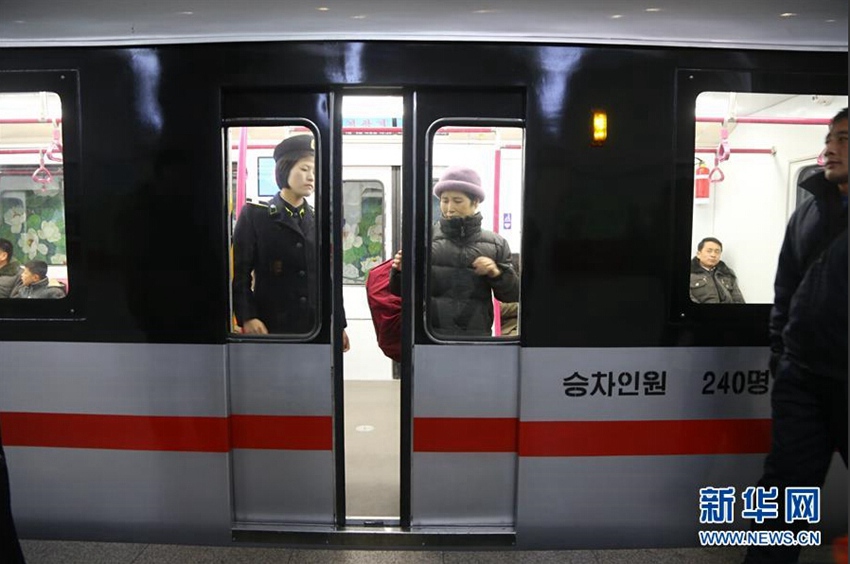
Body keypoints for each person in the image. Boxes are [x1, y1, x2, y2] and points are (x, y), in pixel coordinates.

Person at [743, 107, 848, 564]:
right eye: (829, 138)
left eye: (844, 139)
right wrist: (781, 358)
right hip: (804, 379)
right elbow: (785, 290)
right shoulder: (808, 213)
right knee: (783, 492)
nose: (830, 148)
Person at [232, 134, 349, 349]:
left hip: (316, 328)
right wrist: (248, 317)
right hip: (271, 327)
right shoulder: (255, 216)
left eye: (315, 171)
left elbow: (330, 279)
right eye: (304, 169)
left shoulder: (320, 220)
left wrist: (338, 324)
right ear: (285, 169)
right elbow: (240, 275)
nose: (311, 177)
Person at [389, 166, 518, 336]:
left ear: (475, 202)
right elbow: (399, 291)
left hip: (476, 338)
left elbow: (512, 295)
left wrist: (496, 273)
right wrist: (400, 272)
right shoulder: (424, 240)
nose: (449, 208)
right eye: (444, 200)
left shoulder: (496, 244)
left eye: (457, 201)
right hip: (431, 337)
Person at [689, 237, 745, 303]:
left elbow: (738, 299)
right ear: (698, 254)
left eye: (717, 252)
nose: (713, 255)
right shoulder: (691, 273)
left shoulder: (727, 273)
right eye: (709, 251)